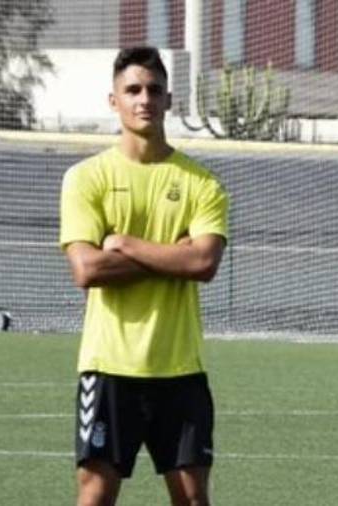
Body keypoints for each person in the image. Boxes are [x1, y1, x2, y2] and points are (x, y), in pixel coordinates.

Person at [59, 46, 229, 506]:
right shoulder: (85, 177)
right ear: (113, 100)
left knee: (193, 499)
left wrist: (126, 244)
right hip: (109, 367)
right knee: (95, 496)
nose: (144, 98)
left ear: (169, 100)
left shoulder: (202, 183)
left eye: (154, 89)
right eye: (132, 89)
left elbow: (204, 264)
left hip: (181, 368)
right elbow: (87, 269)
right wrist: (175, 253)